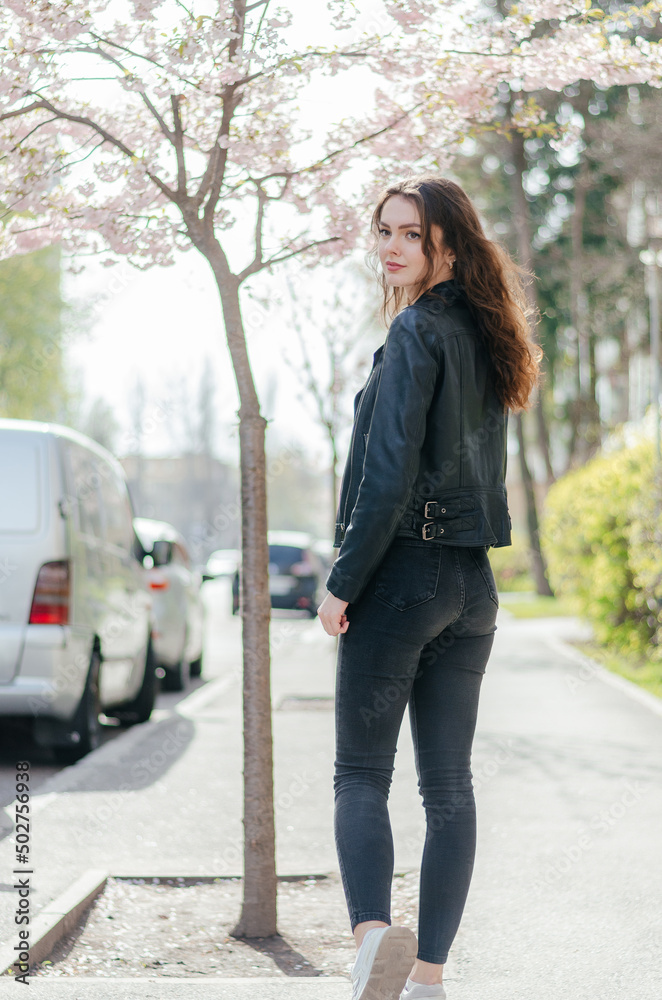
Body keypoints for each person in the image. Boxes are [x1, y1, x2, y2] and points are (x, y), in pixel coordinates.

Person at [317, 176, 541, 1000]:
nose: (392, 248)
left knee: (360, 777)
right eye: (384, 232)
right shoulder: (488, 337)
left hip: (404, 576)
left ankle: (373, 939)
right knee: (448, 788)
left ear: (447, 242)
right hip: (472, 587)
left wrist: (344, 582)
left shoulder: (416, 332)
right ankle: (428, 979)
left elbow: (387, 477)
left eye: (410, 234)